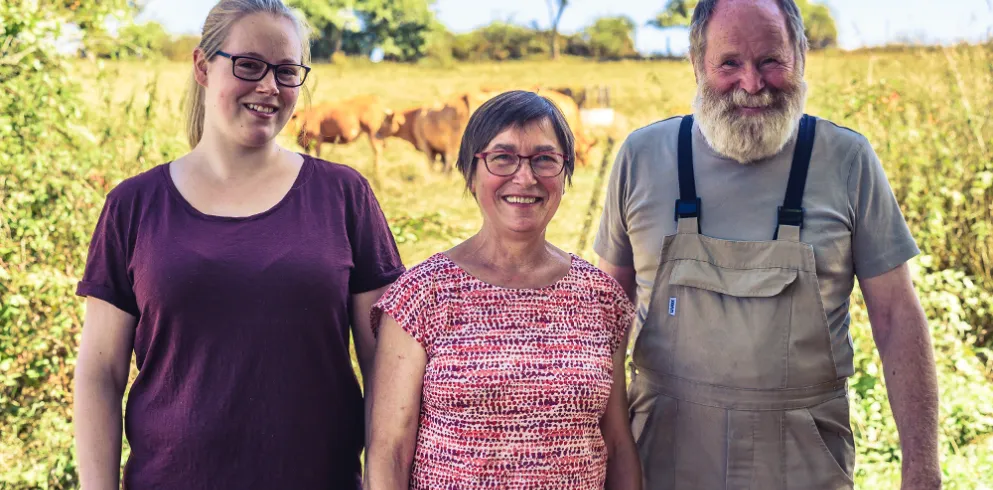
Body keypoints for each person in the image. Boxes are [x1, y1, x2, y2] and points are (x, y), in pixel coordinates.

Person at [594, 0, 941, 488]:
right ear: (696, 63)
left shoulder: (847, 160)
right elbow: (604, 317)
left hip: (805, 462)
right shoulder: (642, 157)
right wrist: (605, 456)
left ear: (801, 55)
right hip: (662, 457)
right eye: (729, 62)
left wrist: (922, 470)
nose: (752, 84)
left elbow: (896, 317)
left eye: (771, 61)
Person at [72, 1, 404, 488]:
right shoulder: (133, 205)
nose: (269, 87)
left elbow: (386, 366)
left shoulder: (343, 195)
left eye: (287, 72)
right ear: (203, 67)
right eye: (249, 65)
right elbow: (100, 372)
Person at [364, 90, 643, 490]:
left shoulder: (600, 297)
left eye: (545, 159)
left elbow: (616, 444)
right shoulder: (422, 295)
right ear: (471, 172)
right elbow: (389, 451)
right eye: (503, 157)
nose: (525, 177)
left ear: (565, 173)